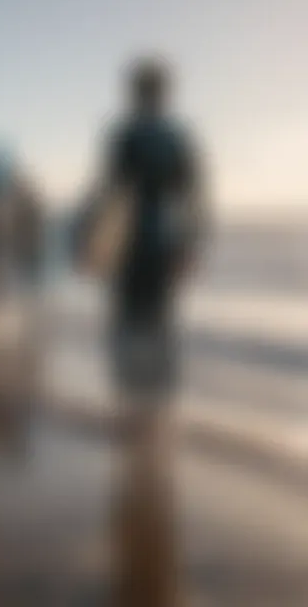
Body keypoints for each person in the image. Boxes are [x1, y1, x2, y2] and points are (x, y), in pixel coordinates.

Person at [81, 57, 207, 605]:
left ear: (135, 92)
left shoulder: (124, 135)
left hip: (133, 245)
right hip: (163, 243)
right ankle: (158, 417)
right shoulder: (180, 138)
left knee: (129, 328)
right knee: (158, 326)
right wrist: (190, 248)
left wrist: (92, 246)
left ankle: (135, 415)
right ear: (166, 92)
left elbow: (110, 194)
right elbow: (196, 200)